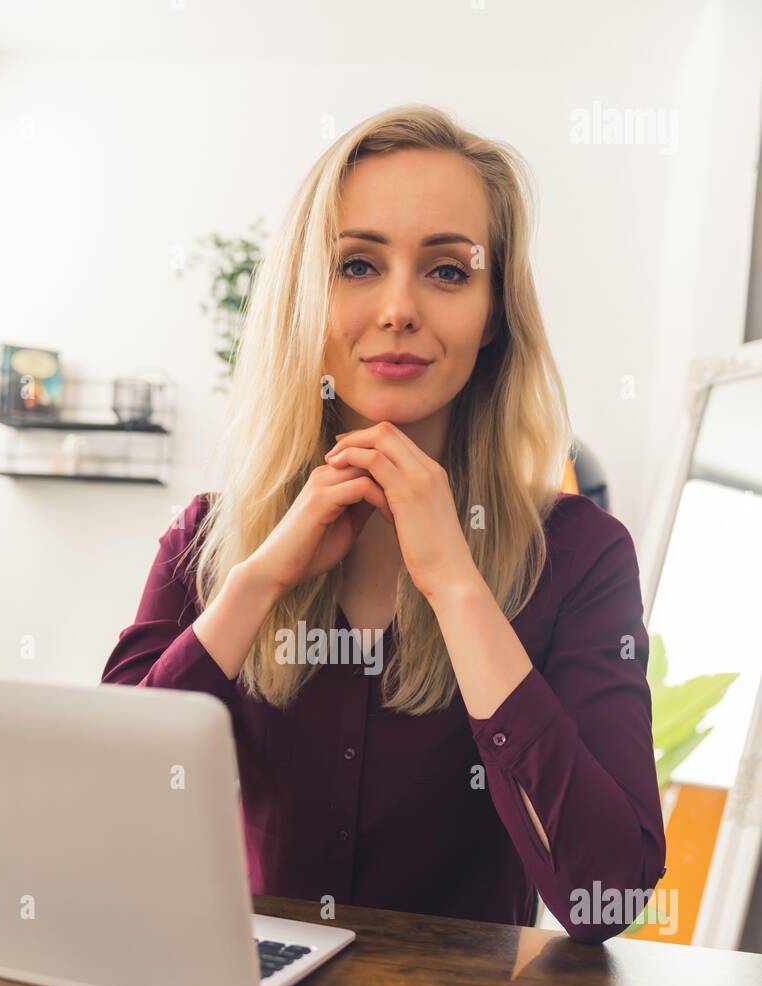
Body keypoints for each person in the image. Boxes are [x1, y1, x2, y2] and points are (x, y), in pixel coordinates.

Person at [101, 103, 667, 943]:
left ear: (495, 315)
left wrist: (456, 587)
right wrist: (258, 579)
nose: (399, 309)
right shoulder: (207, 543)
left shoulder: (582, 557)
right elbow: (108, 814)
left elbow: (607, 896)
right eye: (358, 265)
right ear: (303, 297)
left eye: (447, 272)